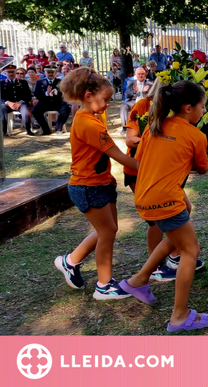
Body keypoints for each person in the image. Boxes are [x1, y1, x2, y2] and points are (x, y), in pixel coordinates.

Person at [120, 80, 208, 332]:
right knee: (191, 250)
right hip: (165, 199)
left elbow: (139, 161)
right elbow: (204, 168)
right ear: (187, 108)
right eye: (202, 107)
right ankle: (179, 315)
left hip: (145, 195)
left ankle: (139, 279)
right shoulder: (196, 135)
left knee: (184, 218)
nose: (203, 111)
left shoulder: (154, 126)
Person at [53, 67, 138, 299]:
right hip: (88, 186)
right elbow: (117, 155)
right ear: (88, 96)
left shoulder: (93, 116)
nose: (108, 104)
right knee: (107, 231)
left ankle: (70, 261)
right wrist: (150, 168)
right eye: (106, 99)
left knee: (108, 230)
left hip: (101, 183)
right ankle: (104, 286)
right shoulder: (88, 123)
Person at [32, 65, 71, 135]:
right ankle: (46, 129)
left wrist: (57, 92)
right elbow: (36, 93)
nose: (50, 74)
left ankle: (58, 127)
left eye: (52, 72)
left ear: (55, 73)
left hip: (58, 103)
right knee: (35, 110)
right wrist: (46, 93)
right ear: (45, 73)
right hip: (45, 103)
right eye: (48, 72)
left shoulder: (60, 81)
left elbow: (65, 93)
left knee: (67, 108)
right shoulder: (40, 82)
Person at [1, 65, 33, 135]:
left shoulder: (23, 82)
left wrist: (20, 102)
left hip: (20, 104)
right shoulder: (2, 83)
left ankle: (28, 129)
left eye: (12, 72)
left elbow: (28, 96)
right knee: (2, 108)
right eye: (9, 72)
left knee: (24, 108)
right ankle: (4, 131)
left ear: (15, 72)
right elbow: (1, 97)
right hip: (8, 105)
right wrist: (8, 102)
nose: (11, 74)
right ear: (5, 73)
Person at [120, 67, 153, 136]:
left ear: (145, 74)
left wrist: (146, 92)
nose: (140, 76)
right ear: (135, 74)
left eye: (142, 74)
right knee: (123, 106)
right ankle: (125, 127)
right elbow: (126, 94)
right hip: (133, 101)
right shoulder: (131, 82)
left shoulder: (150, 83)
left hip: (145, 102)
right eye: (138, 74)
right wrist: (134, 92)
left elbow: (153, 95)